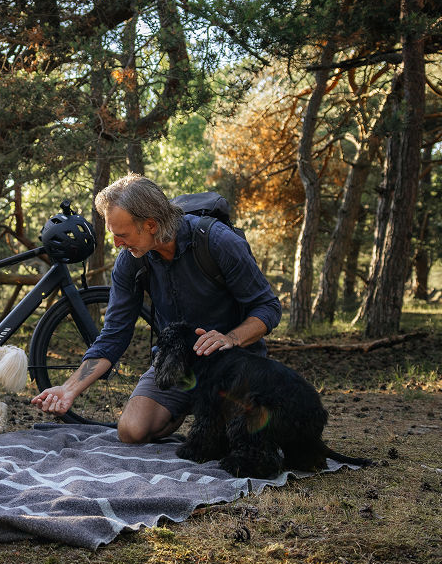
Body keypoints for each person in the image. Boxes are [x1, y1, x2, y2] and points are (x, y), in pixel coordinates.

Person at [31, 174, 282, 444]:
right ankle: (192, 406)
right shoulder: (130, 260)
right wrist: (69, 389)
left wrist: (231, 338)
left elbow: (267, 306)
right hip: (176, 365)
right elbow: (114, 334)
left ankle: (216, 415)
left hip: (233, 364)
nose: (117, 244)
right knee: (131, 431)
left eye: (122, 235)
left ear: (150, 224)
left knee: (231, 441)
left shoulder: (218, 242)